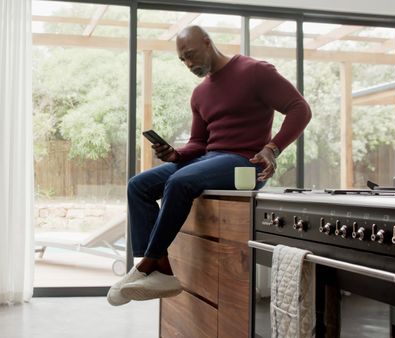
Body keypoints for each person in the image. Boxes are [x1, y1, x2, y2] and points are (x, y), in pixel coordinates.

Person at [107, 25, 312, 306]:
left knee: (179, 182)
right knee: (138, 185)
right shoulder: (200, 94)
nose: (189, 64)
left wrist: (272, 148)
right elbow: (199, 143)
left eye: (191, 55)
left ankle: (148, 266)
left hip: (245, 164)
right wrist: (176, 155)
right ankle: (160, 266)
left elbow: (300, 108)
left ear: (207, 42)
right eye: (183, 60)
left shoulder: (255, 72)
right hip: (210, 160)